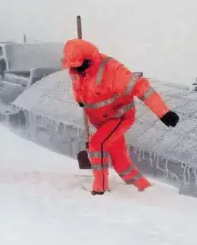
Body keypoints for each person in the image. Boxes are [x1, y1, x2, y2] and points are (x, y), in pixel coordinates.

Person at [61, 39, 180, 195]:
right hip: (101, 121)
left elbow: (140, 85)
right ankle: (145, 189)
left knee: (98, 145)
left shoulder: (112, 71)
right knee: (121, 162)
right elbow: (78, 86)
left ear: (89, 60)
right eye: (73, 67)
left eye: (79, 66)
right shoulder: (76, 69)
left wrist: (163, 112)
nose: (76, 70)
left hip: (119, 117)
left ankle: (99, 190)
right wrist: (80, 100)